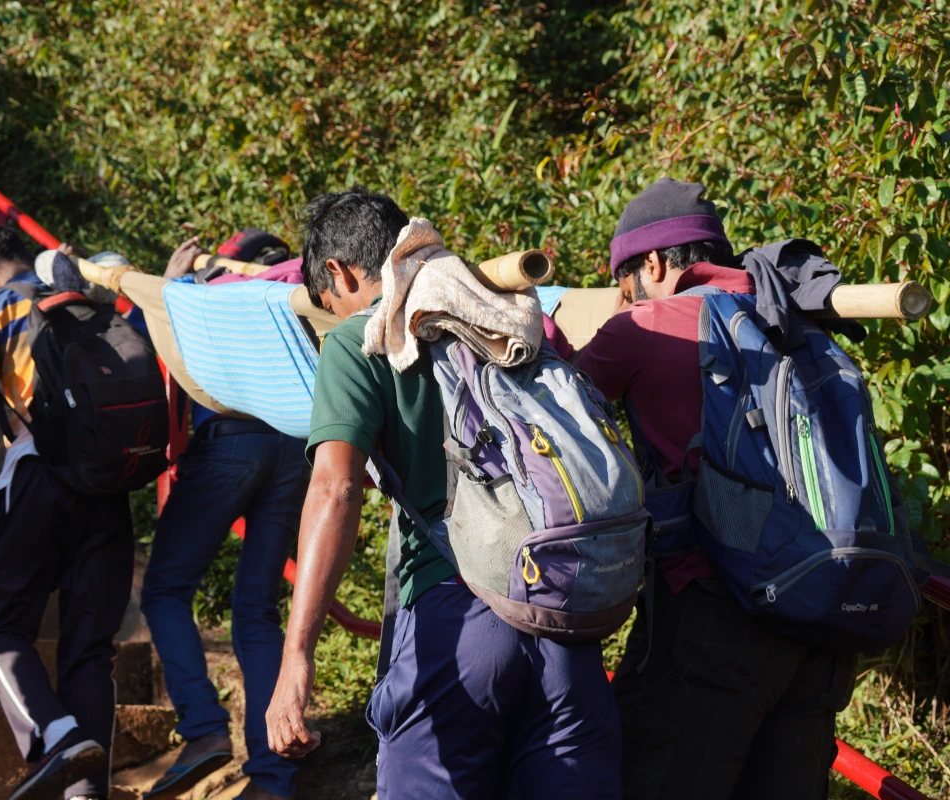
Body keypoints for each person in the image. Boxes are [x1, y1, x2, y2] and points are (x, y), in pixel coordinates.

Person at [265, 187, 622, 799]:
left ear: (339, 271)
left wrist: (297, 654)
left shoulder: (357, 341)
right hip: (566, 619)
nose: (334, 313)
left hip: (459, 620)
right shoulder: (507, 313)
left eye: (328, 301)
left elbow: (336, 487)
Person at [549, 177, 857, 800]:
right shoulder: (792, 312)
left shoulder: (644, 326)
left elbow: (552, 416)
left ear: (654, 263)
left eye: (625, 279)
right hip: (821, 607)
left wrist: (543, 328)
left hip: (710, 611)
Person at [0, 224, 131, 800]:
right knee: (89, 649)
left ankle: (55, 737)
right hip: (110, 486)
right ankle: (86, 794)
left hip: (39, 479)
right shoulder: (85, 293)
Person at [135, 231, 308, 800]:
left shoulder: (212, 294)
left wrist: (171, 280)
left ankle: (206, 729)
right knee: (256, 612)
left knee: (165, 590)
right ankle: (272, 775)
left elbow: (146, 336)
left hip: (229, 447)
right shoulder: (298, 299)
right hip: (293, 452)